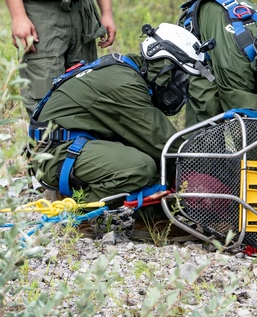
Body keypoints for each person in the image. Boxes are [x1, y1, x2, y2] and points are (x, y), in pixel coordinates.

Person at [28, 23, 214, 203]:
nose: (180, 87)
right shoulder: (125, 84)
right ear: (164, 65)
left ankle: (151, 221)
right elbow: (168, 145)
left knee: (152, 157)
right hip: (54, 155)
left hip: (73, 144)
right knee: (139, 167)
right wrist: (222, 170)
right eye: (180, 77)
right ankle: (72, 204)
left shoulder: (129, 73)